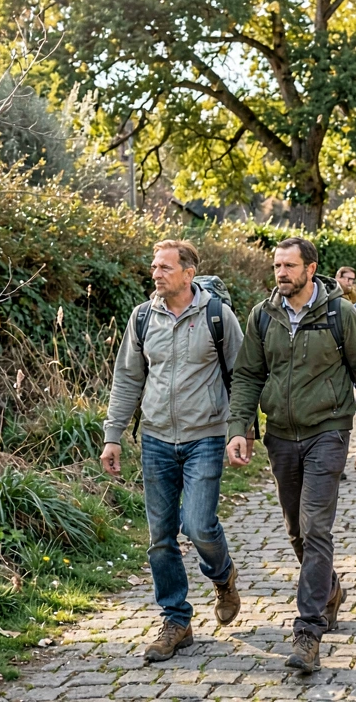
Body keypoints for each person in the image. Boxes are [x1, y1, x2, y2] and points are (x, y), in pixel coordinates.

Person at [225, 237, 356, 673]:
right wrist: (240, 428)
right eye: (277, 265)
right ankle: (329, 589)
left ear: (311, 269)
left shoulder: (340, 314)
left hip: (327, 431)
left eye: (289, 266)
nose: (281, 273)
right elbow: (248, 376)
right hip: (280, 435)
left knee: (315, 527)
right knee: (296, 529)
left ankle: (307, 631)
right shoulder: (263, 315)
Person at [100, 239, 242, 663]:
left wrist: (241, 430)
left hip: (206, 436)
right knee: (160, 537)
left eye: (164, 267)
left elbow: (241, 375)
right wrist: (113, 434)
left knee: (199, 526)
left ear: (188, 273)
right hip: (157, 440)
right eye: (154, 266)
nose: (156, 273)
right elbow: (127, 379)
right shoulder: (143, 318)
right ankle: (176, 620)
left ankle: (223, 575)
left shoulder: (218, 316)